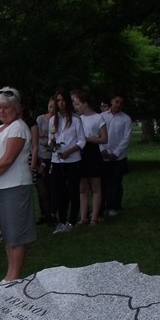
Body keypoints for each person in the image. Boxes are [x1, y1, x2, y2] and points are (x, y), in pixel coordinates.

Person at [0, 87, 36, 282]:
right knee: (8, 232)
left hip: (15, 185)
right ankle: (9, 274)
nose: (1, 111)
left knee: (16, 232)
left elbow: (8, 159)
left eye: (6, 107)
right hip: (1, 186)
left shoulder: (18, 128)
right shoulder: (0, 129)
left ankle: (15, 276)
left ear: (17, 108)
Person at [49, 89, 84, 234]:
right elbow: (51, 139)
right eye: (58, 101)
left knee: (73, 190)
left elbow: (81, 140)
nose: (61, 103)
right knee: (59, 191)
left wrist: (69, 151)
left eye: (63, 100)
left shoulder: (76, 119)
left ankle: (72, 220)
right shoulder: (53, 120)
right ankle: (61, 220)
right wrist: (52, 145)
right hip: (57, 160)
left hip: (73, 160)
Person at [73, 90, 107, 225]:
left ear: (85, 103)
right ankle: (83, 217)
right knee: (82, 186)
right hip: (81, 152)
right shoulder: (77, 118)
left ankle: (95, 216)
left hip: (93, 152)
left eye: (77, 104)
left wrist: (89, 139)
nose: (75, 107)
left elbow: (104, 138)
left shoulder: (98, 118)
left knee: (95, 185)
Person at [101, 93, 132, 217]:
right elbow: (97, 133)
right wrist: (102, 149)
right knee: (104, 183)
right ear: (112, 101)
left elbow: (126, 138)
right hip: (104, 155)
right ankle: (103, 206)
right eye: (117, 102)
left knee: (116, 182)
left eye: (121, 103)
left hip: (119, 156)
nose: (118, 105)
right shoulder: (102, 116)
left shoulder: (126, 119)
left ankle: (114, 206)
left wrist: (116, 153)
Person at [34, 96, 56, 225]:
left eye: (54, 107)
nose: (51, 109)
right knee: (41, 187)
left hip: (52, 156)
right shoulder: (40, 119)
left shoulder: (57, 120)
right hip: (41, 155)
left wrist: (46, 137)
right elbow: (36, 135)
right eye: (50, 106)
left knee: (51, 185)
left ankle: (52, 212)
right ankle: (44, 213)